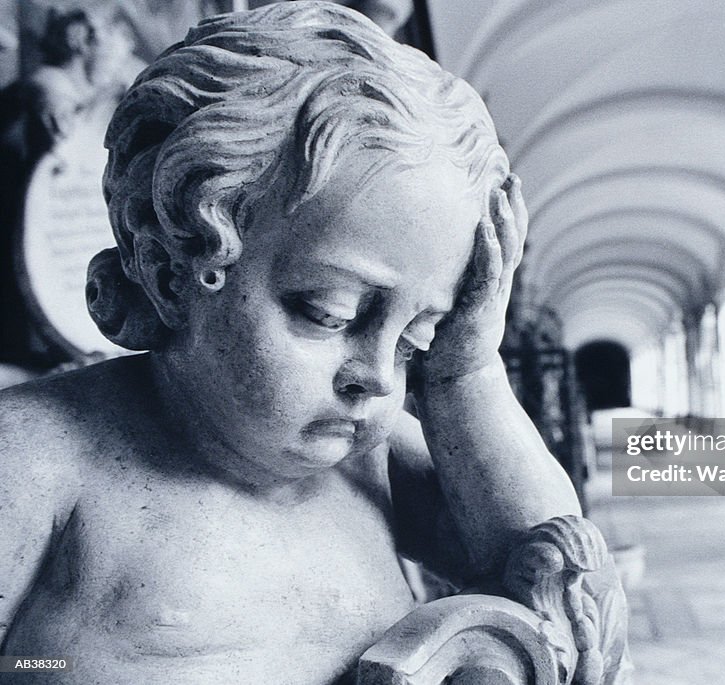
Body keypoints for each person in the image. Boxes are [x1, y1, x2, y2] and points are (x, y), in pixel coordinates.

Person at [0, 3, 580, 683]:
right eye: (329, 314)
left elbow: (552, 580)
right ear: (170, 271)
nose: (378, 378)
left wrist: (466, 374)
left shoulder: (373, 460)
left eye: (413, 341)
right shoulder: (38, 460)